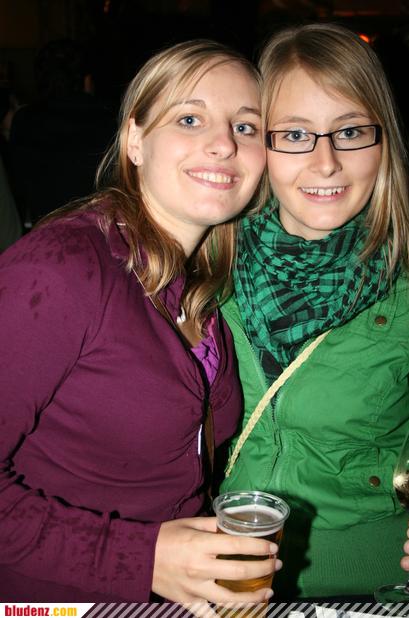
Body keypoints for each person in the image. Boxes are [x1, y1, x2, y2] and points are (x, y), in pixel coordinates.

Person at [0, 39, 281, 605]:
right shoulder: (62, 269)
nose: (224, 143)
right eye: (189, 118)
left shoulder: (205, 285)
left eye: (245, 127)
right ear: (134, 139)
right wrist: (141, 558)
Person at [220, 23, 409, 599]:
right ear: (258, 142)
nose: (326, 163)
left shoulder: (406, 279)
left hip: (372, 585)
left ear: (382, 140)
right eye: (296, 134)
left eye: (350, 131)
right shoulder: (206, 263)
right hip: (221, 577)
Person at [8, 39, 116, 226]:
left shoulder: (25, 120)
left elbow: (17, 183)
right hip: (98, 229)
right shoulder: (108, 118)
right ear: (87, 80)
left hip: (44, 230)